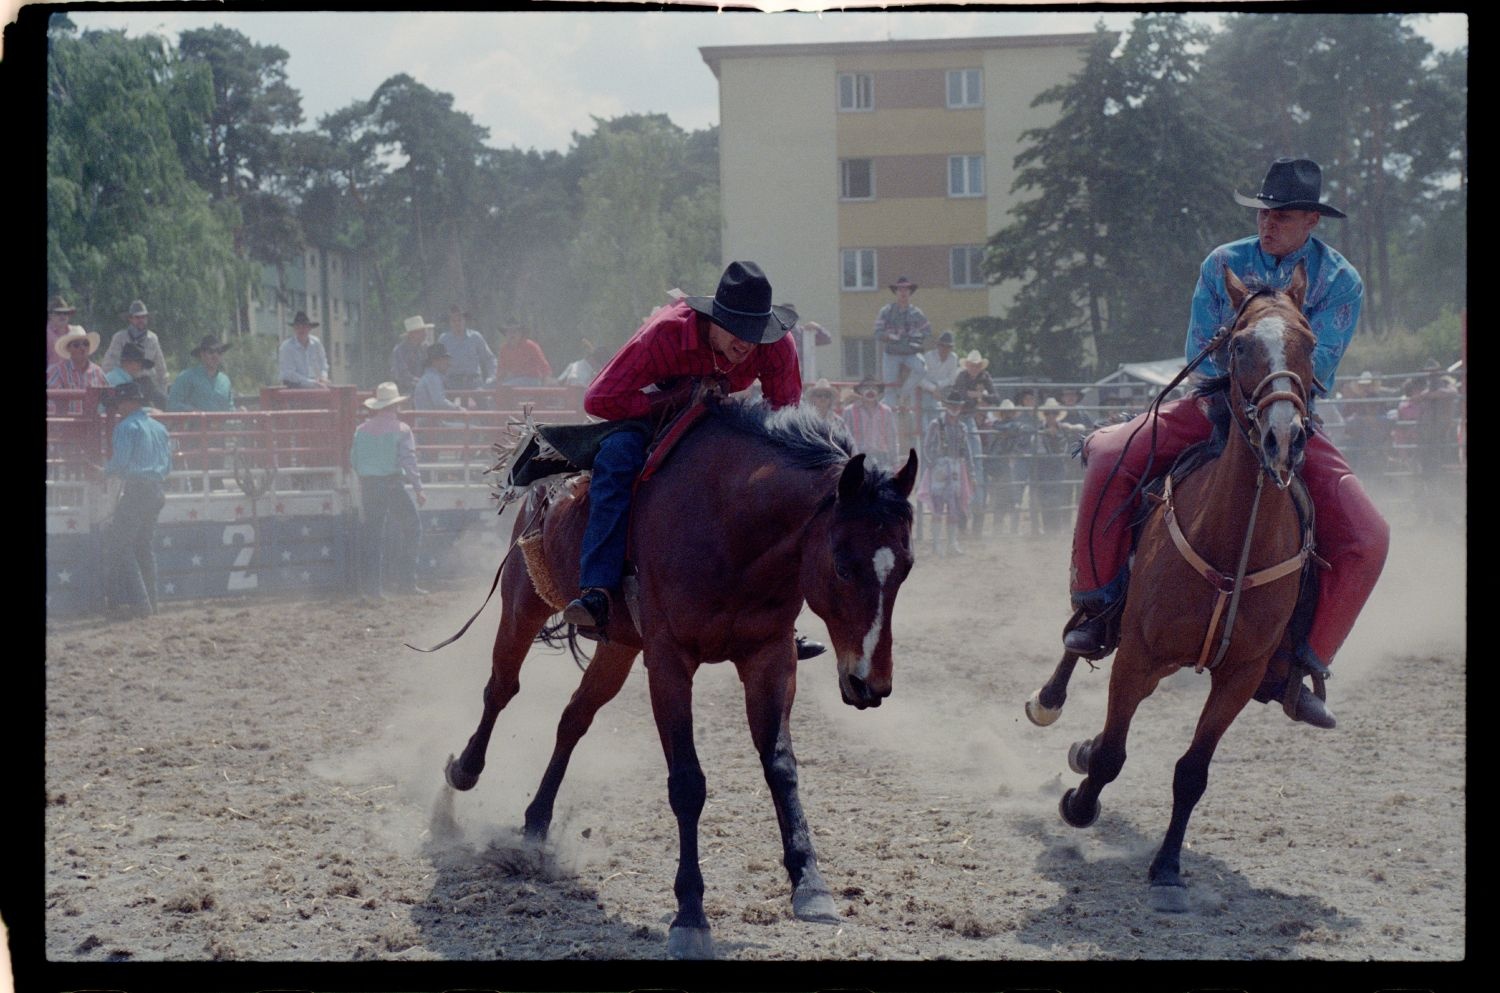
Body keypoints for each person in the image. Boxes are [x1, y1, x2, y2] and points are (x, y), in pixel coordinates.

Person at [1062, 157, 1389, 730]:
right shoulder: (1223, 263)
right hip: (1214, 402)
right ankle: (1098, 604)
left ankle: (1302, 665)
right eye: (1264, 213)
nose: (1268, 224)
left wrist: (1278, 403)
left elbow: (1322, 367)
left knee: (1369, 537)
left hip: (1291, 416)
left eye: (1282, 215)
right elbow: (1201, 349)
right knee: (1111, 455)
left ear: (1312, 220)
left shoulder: (1341, 282)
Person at [559, 260, 803, 641]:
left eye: (756, 331)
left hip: (727, 417)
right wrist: (677, 398)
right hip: (653, 415)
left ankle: (780, 615)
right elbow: (599, 398)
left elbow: (785, 414)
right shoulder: (664, 334)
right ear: (714, 318)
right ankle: (597, 592)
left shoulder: (776, 345)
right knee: (617, 457)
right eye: (738, 329)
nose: (747, 341)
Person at [100, 380, 173, 618]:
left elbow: (120, 464)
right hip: (156, 490)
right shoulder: (159, 428)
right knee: (143, 546)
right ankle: (152, 601)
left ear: (129, 402)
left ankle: (141, 602)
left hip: (138, 490)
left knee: (121, 545)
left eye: (120, 402)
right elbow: (169, 465)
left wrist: (102, 471)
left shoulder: (125, 428)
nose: (118, 407)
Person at [350, 382, 427, 597]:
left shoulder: (361, 430)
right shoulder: (402, 429)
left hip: (369, 485)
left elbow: (354, 460)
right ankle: (406, 582)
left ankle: (373, 588)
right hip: (392, 484)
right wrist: (418, 488)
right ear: (395, 405)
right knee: (412, 527)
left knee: (373, 534)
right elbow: (408, 460)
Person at [919, 387, 977, 557]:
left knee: (954, 506)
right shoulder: (936, 424)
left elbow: (967, 451)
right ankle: (937, 544)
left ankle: (952, 543)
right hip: (940, 467)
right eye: (952, 405)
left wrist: (971, 472)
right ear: (946, 405)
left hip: (956, 468)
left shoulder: (962, 427)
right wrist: (933, 465)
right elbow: (926, 447)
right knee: (937, 505)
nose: (955, 408)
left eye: (957, 405)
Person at [952, 350, 996, 537]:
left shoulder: (985, 377)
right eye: (972, 365)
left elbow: (996, 397)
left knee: (975, 467)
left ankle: (973, 527)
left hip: (971, 419)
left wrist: (981, 396)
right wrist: (977, 395)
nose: (974, 368)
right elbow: (959, 396)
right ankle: (963, 526)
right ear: (967, 365)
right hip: (964, 418)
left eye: (976, 365)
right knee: (966, 465)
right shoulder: (961, 377)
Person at [874, 276, 931, 410]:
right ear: (896, 292)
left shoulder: (917, 313)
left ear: (910, 292)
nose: (903, 292)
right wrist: (888, 336)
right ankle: (889, 421)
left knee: (922, 369)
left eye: (906, 289)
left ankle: (903, 393)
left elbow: (927, 331)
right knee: (889, 388)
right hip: (891, 353)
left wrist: (916, 340)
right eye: (900, 289)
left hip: (910, 352)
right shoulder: (886, 311)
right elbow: (877, 332)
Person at [1032, 397, 1086, 536]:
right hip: (1045, 467)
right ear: (1044, 415)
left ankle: (1055, 529)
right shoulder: (1040, 430)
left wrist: (1069, 427)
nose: (1051, 416)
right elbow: (1039, 450)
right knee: (1046, 499)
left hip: (1059, 467)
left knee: (1058, 497)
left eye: (1054, 413)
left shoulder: (1063, 427)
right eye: (1048, 413)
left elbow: (1082, 428)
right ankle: (1049, 528)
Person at [101, 300, 169, 395]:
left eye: (143, 317)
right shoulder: (120, 337)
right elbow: (108, 365)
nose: (141, 320)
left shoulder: (152, 338)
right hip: (123, 384)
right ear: (130, 319)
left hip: (147, 384)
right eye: (137, 317)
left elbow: (161, 369)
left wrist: (162, 391)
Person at [842, 375, 901, 472]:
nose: (870, 390)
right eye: (866, 387)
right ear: (860, 391)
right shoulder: (849, 411)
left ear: (878, 391)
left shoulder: (886, 411)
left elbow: (892, 438)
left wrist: (895, 462)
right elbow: (845, 437)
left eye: (874, 387)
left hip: (882, 457)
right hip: (858, 456)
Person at [167, 336, 235, 412]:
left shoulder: (225, 381)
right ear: (202, 354)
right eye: (211, 351)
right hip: (194, 423)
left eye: (219, 352)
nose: (215, 355)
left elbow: (230, 409)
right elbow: (172, 405)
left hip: (221, 423)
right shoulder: (186, 377)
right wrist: (193, 411)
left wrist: (239, 412)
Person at [438, 305, 497, 390]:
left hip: (475, 382)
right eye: (454, 320)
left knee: (485, 402)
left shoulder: (475, 337)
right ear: (450, 322)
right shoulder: (443, 339)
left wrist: (492, 377)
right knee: (442, 403)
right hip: (451, 383)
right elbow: (437, 363)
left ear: (464, 320)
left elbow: (489, 358)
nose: (457, 323)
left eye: (459, 320)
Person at [105, 342, 169, 410]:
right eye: (138, 363)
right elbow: (129, 408)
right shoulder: (120, 382)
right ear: (126, 362)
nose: (140, 368)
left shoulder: (114, 376)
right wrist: (151, 410)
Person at [918, 330, 960, 427]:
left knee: (940, 418)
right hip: (924, 391)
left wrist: (937, 386)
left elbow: (952, 379)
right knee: (924, 419)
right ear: (937, 346)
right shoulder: (928, 357)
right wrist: (933, 389)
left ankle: (937, 437)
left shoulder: (953, 358)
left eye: (948, 346)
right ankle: (927, 438)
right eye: (942, 345)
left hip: (943, 391)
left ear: (952, 348)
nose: (945, 348)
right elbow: (919, 378)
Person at [279, 311, 332, 388]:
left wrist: (323, 377)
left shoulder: (316, 343)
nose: (301, 330)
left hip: (316, 386)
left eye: (304, 326)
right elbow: (289, 373)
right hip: (293, 388)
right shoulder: (287, 347)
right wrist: (311, 383)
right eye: (298, 327)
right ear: (294, 329)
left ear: (309, 328)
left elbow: (323, 363)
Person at [46, 325, 109, 389]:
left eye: (86, 344)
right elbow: (52, 396)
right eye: (76, 345)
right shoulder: (58, 371)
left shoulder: (97, 372)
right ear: (68, 349)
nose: (82, 348)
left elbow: (109, 396)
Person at [495, 321, 553, 387]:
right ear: (505, 334)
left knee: (506, 387)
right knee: (489, 386)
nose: (512, 334)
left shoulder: (530, 345)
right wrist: (498, 380)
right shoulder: (504, 349)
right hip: (513, 379)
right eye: (509, 332)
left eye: (515, 331)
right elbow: (500, 369)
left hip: (531, 379)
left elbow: (543, 365)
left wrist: (546, 380)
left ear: (521, 333)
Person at [391, 315, 434, 394]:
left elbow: (431, 368)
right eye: (422, 331)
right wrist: (423, 383)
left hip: (425, 391)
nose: (425, 333)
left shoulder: (426, 348)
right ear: (412, 334)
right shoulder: (399, 351)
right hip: (406, 393)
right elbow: (402, 376)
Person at [46, 295, 77, 368]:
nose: (62, 316)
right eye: (58, 313)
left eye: (65, 313)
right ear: (50, 315)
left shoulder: (75, 332)